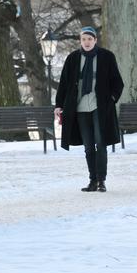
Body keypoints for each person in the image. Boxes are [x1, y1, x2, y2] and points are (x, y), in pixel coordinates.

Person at [54, 26, 124, 192]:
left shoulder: (106, 56)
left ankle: (101, 181)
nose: (87, 42)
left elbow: (118, 82)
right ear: (80, 40)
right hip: (79, 108)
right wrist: (58, 105)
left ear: (95, 40)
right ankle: (92, 180)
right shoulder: (73, 58)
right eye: (84, 39)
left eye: (90, 39)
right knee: (88, 146)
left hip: (99, 107)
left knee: (101, 143)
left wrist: (111, 99)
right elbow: (64, 83)